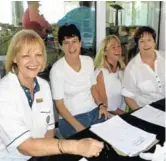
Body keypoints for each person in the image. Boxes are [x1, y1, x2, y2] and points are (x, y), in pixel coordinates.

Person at [0, 30, 104, 161]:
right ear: (15, 58)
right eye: (26, 55)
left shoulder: (43, 85)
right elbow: (25, 146)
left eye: (38, 54)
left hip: (41, 154)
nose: (34, 61)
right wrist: (76, 146)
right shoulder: (4, 92)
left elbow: (49, 130)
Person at [50, 24, 110, 138]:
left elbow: (93, 88)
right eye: (66, 43)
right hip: (71, 119)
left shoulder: (88, 61)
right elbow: (60, 106)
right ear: (61, 46)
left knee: (109, 139)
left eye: (74, 41)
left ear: (80, 43)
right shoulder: (57, 70)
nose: (71, 46)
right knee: (88, 147)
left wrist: (101, 105)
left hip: (93, 112)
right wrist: (79, 127)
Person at [122, 26, 165, 110]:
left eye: (149, 40)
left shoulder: (164, 57)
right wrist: (140, 114)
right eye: (142, 41)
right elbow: (128, 97)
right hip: (148, 110)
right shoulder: (132, 69)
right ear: (138, 45)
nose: (146, 44)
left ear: (154, 42)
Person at [94, 35, 126, 115]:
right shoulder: (100, 73)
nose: (118, 49)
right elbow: (106, 106)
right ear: (105, 52)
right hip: (108, 118)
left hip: (121, 114)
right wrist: (126, 115)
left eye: (119, 46)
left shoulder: (121, 70)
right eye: (113, 47)